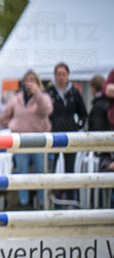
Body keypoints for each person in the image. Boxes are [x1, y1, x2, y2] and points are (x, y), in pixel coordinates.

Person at [0, 70, 53, 209]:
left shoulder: (44, 97)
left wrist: (37, 94)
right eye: (27, 80)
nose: (29, 83)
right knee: (22, 171)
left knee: (40, 171)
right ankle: (24, 202)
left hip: (39, 140)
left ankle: (42, 201)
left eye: (32, 80)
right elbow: (3, 118)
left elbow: (46, 111)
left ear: (38, 82)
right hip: (21, 141)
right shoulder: (16, 99)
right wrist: (13, 125)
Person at [45, 63, 88, 203]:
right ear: (55, 75)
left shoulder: (74, 92)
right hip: (53, 136)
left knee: (70, 169)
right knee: (51, 169)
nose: (61, 77)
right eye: (59, 74)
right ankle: (51, 200)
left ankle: (70, 200)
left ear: (68, 75)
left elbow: (83, 114)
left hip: (70, 136)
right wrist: (48, 127)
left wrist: (77, 126)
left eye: (63, 74)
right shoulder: (49, 92)